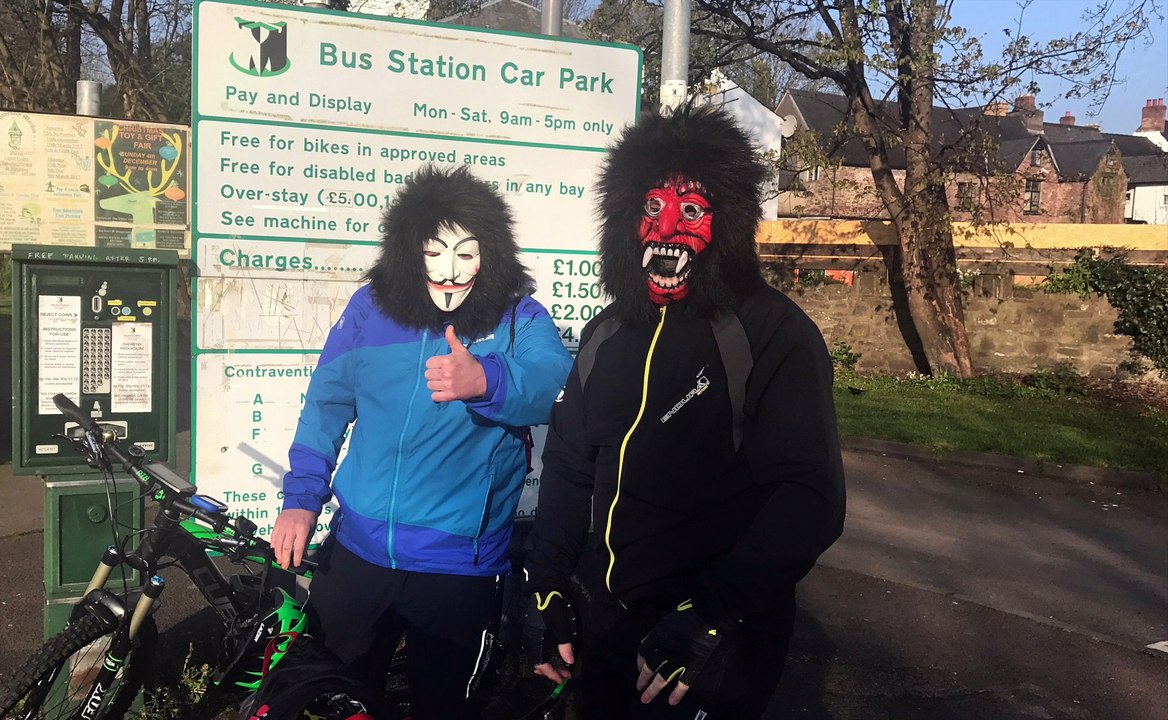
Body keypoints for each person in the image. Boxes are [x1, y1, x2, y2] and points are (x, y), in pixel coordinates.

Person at [523, 104, 846, 720]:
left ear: (725, 222)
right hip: (609, 628)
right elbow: (568, 464)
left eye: (691, 212)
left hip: (711, 642)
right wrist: (548, 586)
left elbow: (810, 497)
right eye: (652, 209)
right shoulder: (605, 333)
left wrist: (710, 613)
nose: (665, 230)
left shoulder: (774, 334)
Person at [270, 165, 572, 719]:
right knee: (328, 703)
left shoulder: (516, 316)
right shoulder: (370, 307)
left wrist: (487, 380)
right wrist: (301, 499)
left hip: (458, 571)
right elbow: (326, 404)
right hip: (357, 557)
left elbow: (554, 379)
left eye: (465, 254)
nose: (450, 272)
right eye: (434, 252)